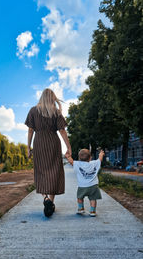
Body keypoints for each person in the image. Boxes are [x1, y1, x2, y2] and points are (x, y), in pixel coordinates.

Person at [25, 88, 72, 217]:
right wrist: (69, 147)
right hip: (53, 142)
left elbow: (30, 131)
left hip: (39, 142)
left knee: (41, 171)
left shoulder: (33, 110)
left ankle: (45, 199)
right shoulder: (55, 112)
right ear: (52, 98)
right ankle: (51, 201)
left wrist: (28, 147)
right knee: (54, 171)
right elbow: (62, 131)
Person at [65, 148, 104, 216]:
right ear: (90, 158)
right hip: (93, 186)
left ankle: (81, 209)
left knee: (80, 198)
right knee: (93, 199)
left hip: (82, 186)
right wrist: (101, 154)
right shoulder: (94, 163)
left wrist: (68, 156)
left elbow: (71, 161)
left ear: (79, 158)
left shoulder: (77, 164)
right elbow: (100, 159)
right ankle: (92, 211)